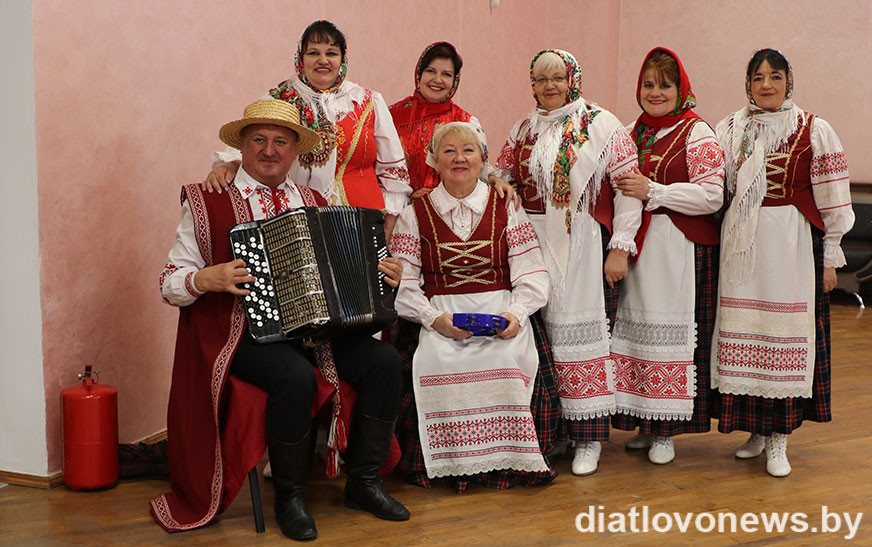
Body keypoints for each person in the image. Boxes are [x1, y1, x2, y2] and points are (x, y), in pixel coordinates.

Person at [154, 99, 410, 541]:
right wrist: (208, 278)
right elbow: (169, 282)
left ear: (294, 152)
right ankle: (291, 498)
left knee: (385, 361)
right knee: (294, 375)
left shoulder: (314, 200)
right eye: (259, 140)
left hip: (318, 332)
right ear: (242, 147)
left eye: (280, 142)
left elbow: (343, 271)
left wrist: (384, 272)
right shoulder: (207, 199)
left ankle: (364, 483)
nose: (269, 150)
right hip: (243, 335)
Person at [493, 49, 643, 476]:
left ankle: (588, 437)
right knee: (543, 336)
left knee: (578, 333)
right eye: (541, 79)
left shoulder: (601, 124)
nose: (550, 86)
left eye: (558, 77)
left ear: (573, 80)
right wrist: (501, 182)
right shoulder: (523, 128)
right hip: (532, 239)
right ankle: (554, 431)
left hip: (581, 239)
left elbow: (627, 188)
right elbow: (500, 173)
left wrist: (620, 246)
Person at [390, 122, 556, 489]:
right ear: (434, 161)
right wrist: (434, 319)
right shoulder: (414, 214)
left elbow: (532, 272)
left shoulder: (507, 207)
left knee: (507, 358)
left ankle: (507, 461)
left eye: (468, 150)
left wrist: (515, 315)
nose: (459, 158)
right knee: (437, 358)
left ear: (483, 159)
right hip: (440, 311)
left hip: (501, 307)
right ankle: (453, 463)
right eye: (448, 151)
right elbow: (404, 283)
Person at [711, 48, 853, 477]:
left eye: (775, 76)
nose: (766, 84)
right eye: (758, 77)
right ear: (747, 84)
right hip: (741, 251)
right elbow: (715, 188)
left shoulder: (813, 129)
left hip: (790, 248)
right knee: (748, 337)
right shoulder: (729, 128)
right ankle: (756, 431)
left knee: (782, 337)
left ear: (789, 81)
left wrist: (830, 258)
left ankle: (779, 439)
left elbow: (833, 198)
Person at [609, 47, 725, 465]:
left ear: (681, 90)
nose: (655, 93)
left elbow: (712, 195)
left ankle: (667, 431)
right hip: (639, 248)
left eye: (665, 85)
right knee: (638, 332)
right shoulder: (629, 132)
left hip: (679, 247)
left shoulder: (697, 132)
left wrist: (655, 191)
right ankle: (645, 420)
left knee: (670, 335)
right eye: (648, 84)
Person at [203, 20, 411, 240]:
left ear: (343, 59)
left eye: (331, 53)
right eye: (313, 53)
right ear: (300, 58)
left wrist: (387, 228)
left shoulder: (368, 101)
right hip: (299, 221)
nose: (323, 60)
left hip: (364, 223)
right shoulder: (280, 99)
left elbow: (394, 172)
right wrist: (229, 165)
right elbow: (247, 146)